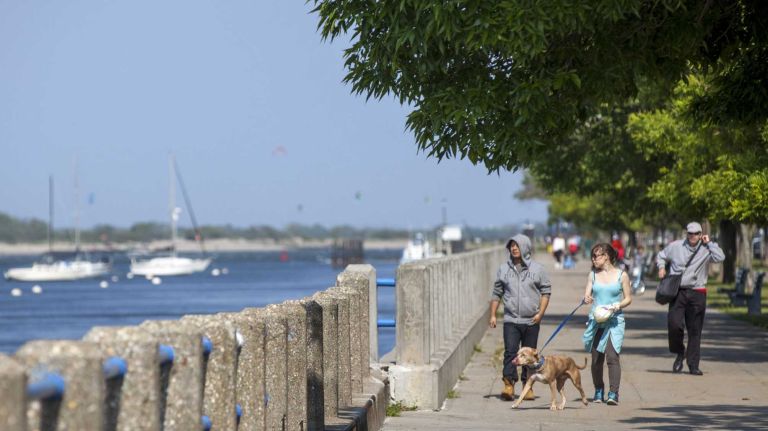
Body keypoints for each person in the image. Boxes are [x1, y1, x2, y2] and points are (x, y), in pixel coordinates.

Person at [656, 221, 725, 376]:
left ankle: (693, 364)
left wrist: (710, 243)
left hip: (697, 292)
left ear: (701, 234)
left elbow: (720, 257)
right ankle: (680, 352)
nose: (693, 236)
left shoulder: (707, 249)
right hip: (678, 292)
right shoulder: (676, 246)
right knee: (674, 325)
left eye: (696, 234)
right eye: (690, 233)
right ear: (686, 233)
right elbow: (661, 255)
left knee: (695, 330)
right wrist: (661, 267)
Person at [489, 234, 552, 401]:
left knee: (529, 357)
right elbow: (497, 293)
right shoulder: (503, 269)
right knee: (510, 352)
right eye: (511, 245)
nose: (514, 248)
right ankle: (508, 385)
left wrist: (540, 314)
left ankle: (527, 386)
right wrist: (493, 315)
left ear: (525, 247)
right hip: (510, 319)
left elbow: (546, 292)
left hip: (531, 320)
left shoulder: (538, 269)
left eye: (517, 245)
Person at [582, 243, 632, 406]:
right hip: (597, 320)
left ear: (607, 256)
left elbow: (628, 298)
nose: (593, 259)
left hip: (614, 321)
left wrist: (617, 305)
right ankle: (598, 389)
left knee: (612, 356)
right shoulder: (592, 275)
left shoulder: (621, 275)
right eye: (593, 256)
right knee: (596, 359)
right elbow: (587, 295)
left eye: (596, 256)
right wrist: (586, 299)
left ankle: (613, 393)